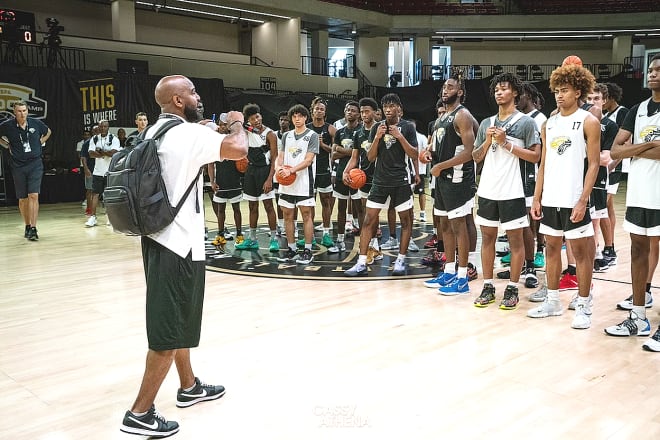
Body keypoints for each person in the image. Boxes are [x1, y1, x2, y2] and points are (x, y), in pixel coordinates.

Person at [119, 75, 248, 438]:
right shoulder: (189, 136)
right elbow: (238, 149)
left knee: (178, 321)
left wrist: (205, 128)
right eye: (192, 92)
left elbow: (188, 146)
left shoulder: (152, 132)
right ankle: (139, 413)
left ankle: (189, 386)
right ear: (178, 101)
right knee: (167, 330)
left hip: (157, 238)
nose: (198, 96)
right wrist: (236, 121)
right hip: (179, 245)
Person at [527, 63, 600, 329]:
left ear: (578, 91)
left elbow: (593, 164)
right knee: (551, 249)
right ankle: (553, 300)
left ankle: (583, 303)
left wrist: (583, 200)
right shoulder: (549, 123)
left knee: (581, 253)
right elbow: (543, 163)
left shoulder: (589, 121)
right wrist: (537, 197)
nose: (559, 95)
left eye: (565, 90)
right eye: (557, 90)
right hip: (551, 199)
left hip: (574, 198)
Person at [604, 54, 660, 349]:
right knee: (638, 251)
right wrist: (651, 145)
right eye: (651, 69)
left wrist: (633, 148)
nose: (653, 73)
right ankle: (638, 317)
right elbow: (614, 151)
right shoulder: (637, 110)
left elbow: (625, 149)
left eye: (658, 69)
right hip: (640, 193)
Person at [472, 73, 541, 309]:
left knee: (516, 241)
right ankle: (488, 285)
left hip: (513, 190)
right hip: (488, 190)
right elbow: (475, 157)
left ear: (515, 93)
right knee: (488, 238)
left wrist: (506, 143)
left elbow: (535, 156)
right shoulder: (486, 123)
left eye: (503, 89)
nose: (499, 93)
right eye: (496, 90)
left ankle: (512, 288)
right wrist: (486, 142)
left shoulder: (526, 122)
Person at [344, 93, 418, 277]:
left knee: (406, 221)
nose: (387, 109)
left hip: (401, 180)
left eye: (391, 106)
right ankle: (361, 262)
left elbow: (414, 154)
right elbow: (370, 157)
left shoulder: (408, 127)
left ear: (399, 109)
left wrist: (400, 137)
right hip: (379, 180)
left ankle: (400, 260)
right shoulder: (377, 127)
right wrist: (376, 138)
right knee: (368, 220)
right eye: (385, 106)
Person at [421, 75, 479, 294]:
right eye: (444, 86)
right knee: (444, 225)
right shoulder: (440, 119)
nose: (445, 90)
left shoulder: (462, 115)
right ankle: (449, 270)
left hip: (458, 179)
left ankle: (463, 277)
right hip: (443, 179)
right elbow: (436, 148)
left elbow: (470, 151)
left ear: (460, 92)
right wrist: (428, 153)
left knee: (459, 225)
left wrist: (441, 165)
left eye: (451, 87)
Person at [0, 101, 51, 240]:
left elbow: (48, 131)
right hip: (18, 165)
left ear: (27, 111)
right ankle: (27, 225)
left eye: (24, 111)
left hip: (35, 164)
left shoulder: (35, 123)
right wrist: (6, 145)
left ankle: (34, 228)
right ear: (14, 112)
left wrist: (41, 142)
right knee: (23, 199)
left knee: (33, 195)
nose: (22, 114)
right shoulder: (7, 126)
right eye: (19, 111)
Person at [275, 104, 319, 264]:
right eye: (294, 116)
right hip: (286, 182)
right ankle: (292, 249)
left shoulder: (312, 135)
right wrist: (278, 168)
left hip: (303, 181)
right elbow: (280, 156)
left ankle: (308, 250)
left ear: (306, 118)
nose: (297, 119)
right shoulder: (286, 136)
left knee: (306, 215)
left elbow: (308, 160)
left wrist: (291, 171)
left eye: (300, 116)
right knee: (287, 215)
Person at [236, 103, 279, 252]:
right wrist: (248, 127)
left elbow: (274, 159)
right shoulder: (247, 131)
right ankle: (252, 239)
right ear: (248, 120)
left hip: (264, 171)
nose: (256, 120)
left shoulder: (270, 134)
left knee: (268, 206)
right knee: (252, 206)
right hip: (251, 171)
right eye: (253, 118)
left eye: (258, 116)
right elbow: (235, 125)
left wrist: (269, 179)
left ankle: (274, 238)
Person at [343, 97, 381, 263]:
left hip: (381, 177)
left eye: (367, 111)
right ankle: (374, 245)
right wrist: (346, 171)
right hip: (364, 177)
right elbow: (354, 157)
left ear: (375, 112)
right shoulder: (358, 134)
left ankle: (376, 244)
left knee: (375, 213)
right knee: (368, 213)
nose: (365, 114)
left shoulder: (381, 129)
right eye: (363, 111)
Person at [585, 84, 618, 273]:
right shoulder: (579, 122)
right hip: (579, 177)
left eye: (596, 98)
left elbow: (606, 158)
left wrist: (587, 155)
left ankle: (595, 255)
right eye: (588, 99)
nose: (592, 103)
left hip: (598, 178)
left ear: (604, 101)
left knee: (594, 220)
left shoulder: (610, 126)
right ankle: (590, 255)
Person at [602, 82, 629, 265]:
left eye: (602, 98)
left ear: (610, 97)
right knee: (607, 206)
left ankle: (609, 249)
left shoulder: (622, 113)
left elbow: (625, 143)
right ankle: (607, 246)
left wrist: (612, 165)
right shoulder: (603, 115)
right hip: (605, 164)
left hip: (615, 165)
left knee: (604, 205)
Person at [329, 100, 360, 253]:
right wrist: (350, 151)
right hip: (342, 173)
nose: (350, 112)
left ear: (358, 114)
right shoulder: (340, 132)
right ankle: (340, 240)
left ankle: (364, 242)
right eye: (348, 110)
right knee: (341, 208)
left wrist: (342, 150)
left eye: (353, 110)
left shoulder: (362, 131)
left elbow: (361, 154)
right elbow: (333, 155)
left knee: (360, 209)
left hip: (358, 174)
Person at [307, 97, 337, 248]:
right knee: (309, 204)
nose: (319, 111)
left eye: (322, 109)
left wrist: (321, 144)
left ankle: (326, 234)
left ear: (325, 113)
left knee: (326, 202)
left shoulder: (330, 129)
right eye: (317, 108)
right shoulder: (305, 128)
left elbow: (336, 151)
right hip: (308, 171)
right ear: (312, 110)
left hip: (324, 170)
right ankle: (310, 236)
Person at [85, 119, 121, 227]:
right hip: (98, 171)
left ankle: (110, 217)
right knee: (95, 194)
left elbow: (114, 153)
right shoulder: (94, 139)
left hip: (110, 171)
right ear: (98, 127)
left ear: (108, 127)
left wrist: (101, 152)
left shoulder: (114, 139)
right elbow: (91, 154)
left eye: (105, 126)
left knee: (109, 195)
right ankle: (93, 217)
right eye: (101, 127)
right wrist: (104, 154)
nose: (103, 128)